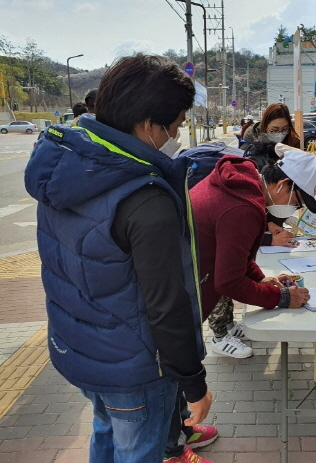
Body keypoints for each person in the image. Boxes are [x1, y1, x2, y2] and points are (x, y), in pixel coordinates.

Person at [24, 54, 214, 463]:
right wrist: (194, 382)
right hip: (135, 367)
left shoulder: (64, 170)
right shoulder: (145, 198)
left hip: (82, 351)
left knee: (107, 437)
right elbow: (166, 304)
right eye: (176, 126)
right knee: (136, 450)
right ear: (148, 125)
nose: (175, 137)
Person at [189, 148, 316, 359]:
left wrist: (262, 278)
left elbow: (237, 254)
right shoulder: (243, 207)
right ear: (282, 184)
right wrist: (283, 297)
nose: (295, 208)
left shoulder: (244, 183)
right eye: (297, 202)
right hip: (180, 293)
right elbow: (228, 282)